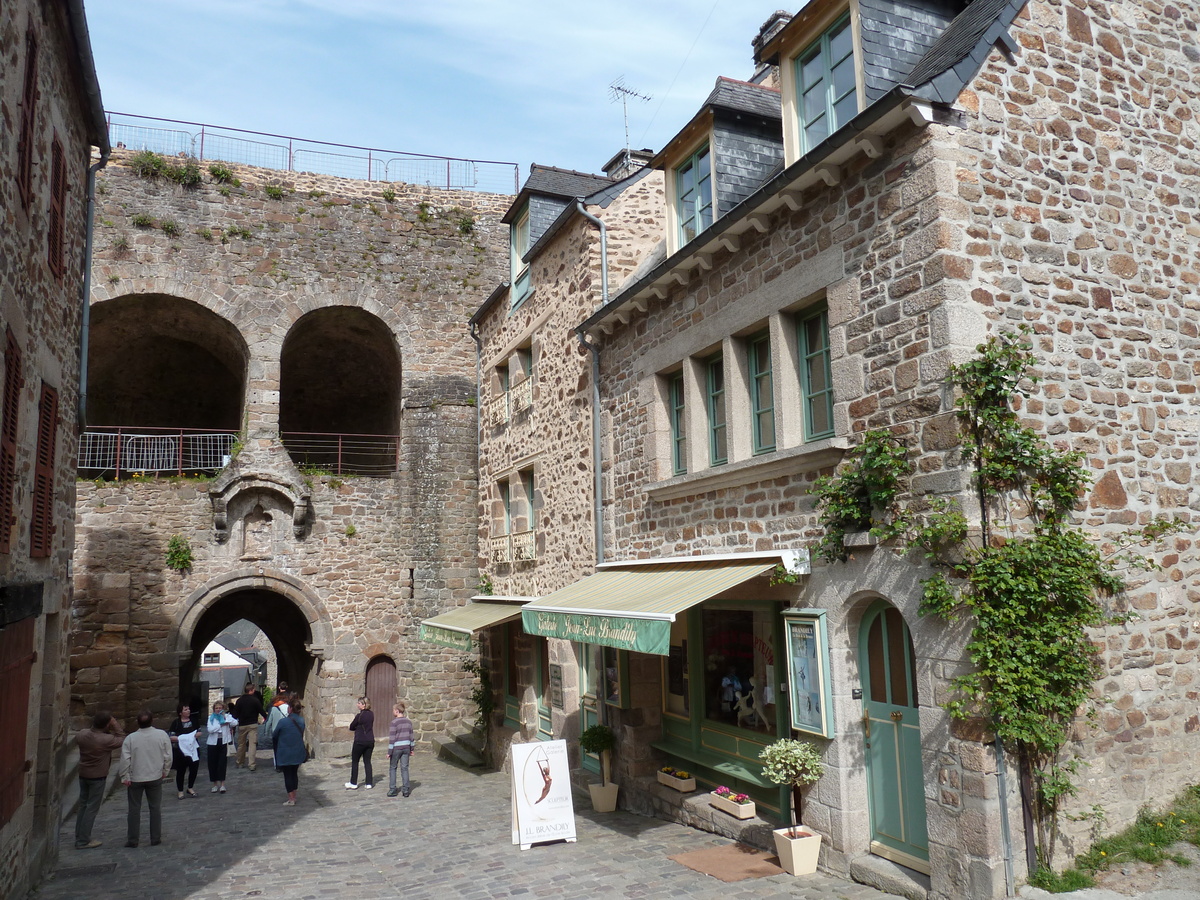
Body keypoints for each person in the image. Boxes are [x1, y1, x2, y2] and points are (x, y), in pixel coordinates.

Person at [118, 710, 172, 848]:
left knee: (134, 809)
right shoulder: (161, 735)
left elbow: (125, 759)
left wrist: (125, 776)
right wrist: (165, 770)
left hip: (136, 777)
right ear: (152, 720)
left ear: (138, 722)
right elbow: (168, 755)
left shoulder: (131, 738)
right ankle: (155, 838)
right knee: (155, 808)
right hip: (155, 776)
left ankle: (133, 839)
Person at [75, 711, 125, 849]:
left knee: (83, 806)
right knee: (91, 808)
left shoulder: (81, 734)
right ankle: (83, 840)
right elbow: (121, 738)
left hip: (83, 774)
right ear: (107, 724)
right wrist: (115, 724)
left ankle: (79, 835)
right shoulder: (105, 740)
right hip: (97, 777)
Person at [273, 697, 307, 806]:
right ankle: (294, 796)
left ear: (290, 709)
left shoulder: (283, 722)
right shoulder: (301, 721)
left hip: (285, 752)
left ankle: (291, 798)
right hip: (298, 751)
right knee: (294, 774)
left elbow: (275, 735)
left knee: (287, 775)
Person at [168, 703, 201, 798]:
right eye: (186, 709)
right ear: (180, 712)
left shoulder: (194, 721)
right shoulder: (176, 723)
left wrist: (194, 736)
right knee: (181, 770)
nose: (188, 711)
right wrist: (184, 738)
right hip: (181, 751)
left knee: (194, 769)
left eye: (188, 709)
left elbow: (199, 732)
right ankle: (180, 790)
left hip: (193, 749)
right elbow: (171, 736)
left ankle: (190, 787)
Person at [232, 681, 266, 771]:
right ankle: (251, 764)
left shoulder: (239, 701)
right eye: (254, 689)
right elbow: (261, 711)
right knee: (252, 745)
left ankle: (240, 762)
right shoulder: (255, 700)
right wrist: (267, 717)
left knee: (241, 745)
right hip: (252, 725)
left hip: (242, 725)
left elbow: (235, 714)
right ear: (251, 690)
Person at [206, 700, 237, 793]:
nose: (218, 709)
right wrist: (221, 724)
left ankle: (222, 784)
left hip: (223, 742)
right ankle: (214, 784)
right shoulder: (210, 718)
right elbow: (210, 730)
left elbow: (235, 723)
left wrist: (225, 718)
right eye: (216, 708)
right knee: (212, 764)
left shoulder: (227, 716)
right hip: (212, 743)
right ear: (214, 709)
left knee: (222, 763)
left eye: (220, 708)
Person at [386, 702, 414, 798]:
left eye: (393, 710)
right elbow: (411, 737)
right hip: (406, 747)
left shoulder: (394, 723)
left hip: (396, 748)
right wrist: (412, 748)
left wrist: (389, 752)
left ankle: (393, 789)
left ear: (397, 711)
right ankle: (406, 790)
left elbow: (392, 739)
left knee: (393, 768)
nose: (393, 712)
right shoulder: (408, 722)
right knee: (404, 768)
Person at [345, 696, 374, 790]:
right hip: (370, 741)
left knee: (355, 761)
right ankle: (369, 783)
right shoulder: (371, 714)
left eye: (359, 703)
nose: (357, 704)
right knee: (367, 761)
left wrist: (357, 728)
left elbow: (352, 726)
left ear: (364, 705)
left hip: (360, 741)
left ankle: (353, 782)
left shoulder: (359, 716)